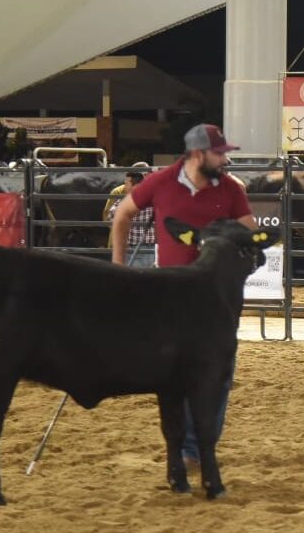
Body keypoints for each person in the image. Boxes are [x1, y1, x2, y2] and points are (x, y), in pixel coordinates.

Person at [110, 123, 256, 466]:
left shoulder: (232, 189)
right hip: (174, 294)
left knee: (219, 372)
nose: (224, 159)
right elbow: (123, 214)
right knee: (179, 375)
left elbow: (249, 231)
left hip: (217, 298)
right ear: (197, 154)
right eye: (219, 153)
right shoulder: (160, 182)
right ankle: (191, 447)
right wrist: (117, 268)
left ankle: (199, 446)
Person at [106, 165, 156, 268]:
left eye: (127, 183)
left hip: (133, 250)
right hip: (150, 250)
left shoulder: (129, 201)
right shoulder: (153, 199)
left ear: (135, 186)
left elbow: (111, 216)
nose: (125, 186)